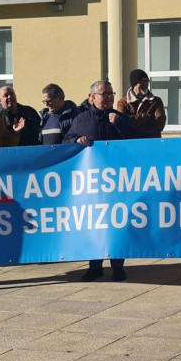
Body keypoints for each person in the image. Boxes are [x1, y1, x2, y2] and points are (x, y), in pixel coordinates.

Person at [64, 80, 134, 282]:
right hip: (92, 184)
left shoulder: (120, 118)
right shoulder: (81, 120)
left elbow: (137, 142)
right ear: (92, 97)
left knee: (117, 224)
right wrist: (76, 142)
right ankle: (95, 266)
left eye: (111, 93)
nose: (109, 97)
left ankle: (118, 267)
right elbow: (66, 141)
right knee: (94, 225)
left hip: (118, 183)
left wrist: (120, 125)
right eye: (105, 94)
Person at [117, 69, 166, 138]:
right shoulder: (123, 102)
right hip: (131, 144)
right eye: (142, 81)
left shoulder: (156, 101)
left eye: (147, 81)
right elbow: (121, 123)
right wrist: (145, 117)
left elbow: (160, 124)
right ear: (134, 84)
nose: (145, 84)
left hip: (151, 143)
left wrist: (134, 126)